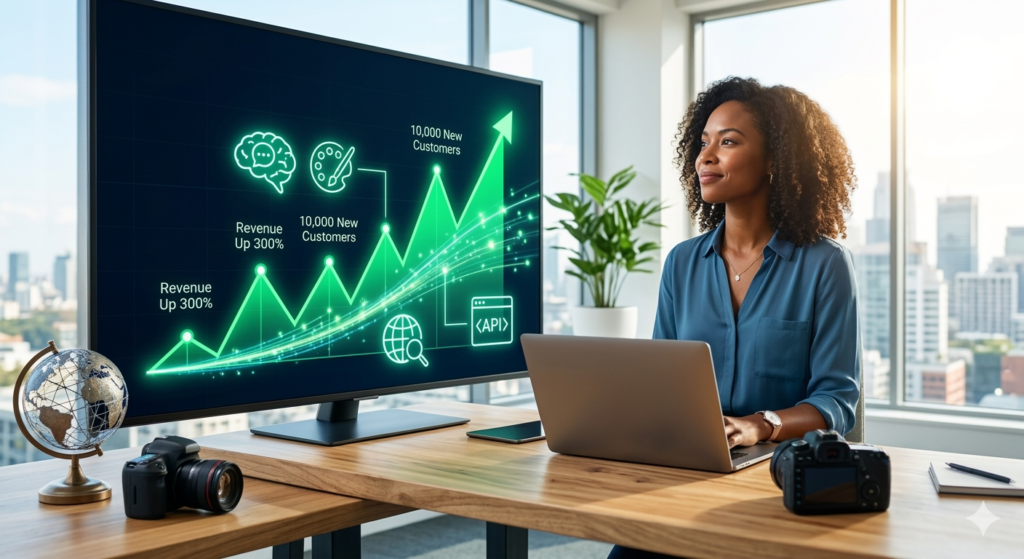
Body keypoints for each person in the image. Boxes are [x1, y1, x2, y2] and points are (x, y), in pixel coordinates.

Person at [607, 76, 861, 559]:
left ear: (774, 161)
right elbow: (660, 378)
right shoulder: (682, 263)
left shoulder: (825, 264)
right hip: (686, 471)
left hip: (778, 475)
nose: (706, 157)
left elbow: (837, 400)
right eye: (703, 143)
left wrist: (760, 425)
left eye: (728, 142)